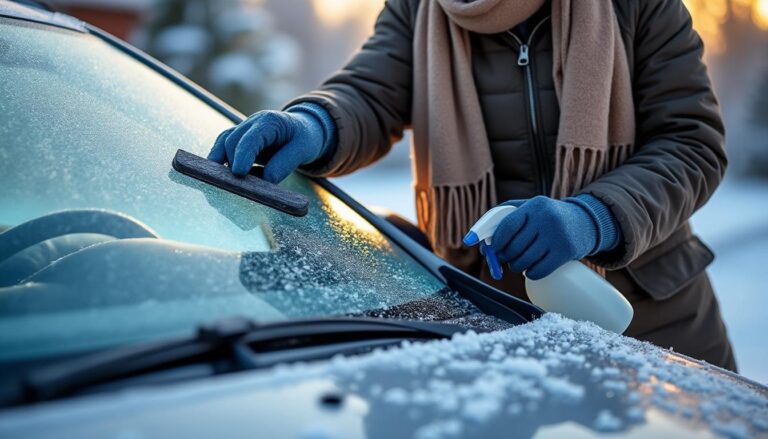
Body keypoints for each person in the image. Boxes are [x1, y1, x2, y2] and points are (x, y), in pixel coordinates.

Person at [208, 0, 736, 370]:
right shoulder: (417, 10)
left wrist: (593, 216)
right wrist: (314, 124)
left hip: (651, 314)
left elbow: (691, 143)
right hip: (490, 317)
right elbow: (369, 93)